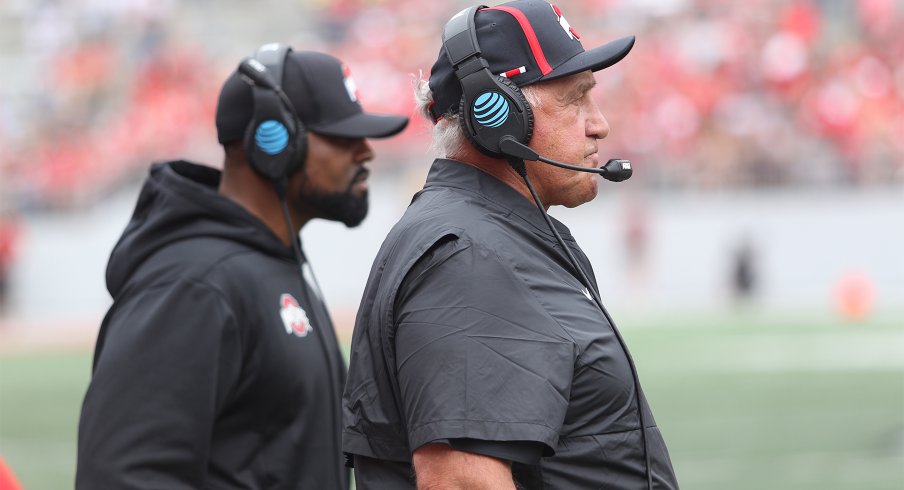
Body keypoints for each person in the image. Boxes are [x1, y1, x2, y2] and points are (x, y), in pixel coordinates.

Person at [341, 1, 679, 489]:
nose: (599, 123)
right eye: (575, 99)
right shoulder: (469, 258)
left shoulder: (491, 238)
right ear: (497, 114)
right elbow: (460, 481)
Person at [76, 44, 408, 490]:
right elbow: (124, 476)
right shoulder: (194, 284)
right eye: (342, 137)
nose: (366, 153)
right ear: (274, 139)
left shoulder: (269, 264)